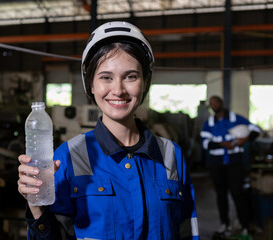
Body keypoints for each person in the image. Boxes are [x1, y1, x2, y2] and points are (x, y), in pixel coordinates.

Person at [18, 21, 199, 240]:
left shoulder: (172, 155)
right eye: (106, 77)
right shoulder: (68, 157)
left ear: (145, 82)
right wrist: (36, 205)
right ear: (91, 85)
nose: (118, 90)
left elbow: (187, 231)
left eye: (131, 76)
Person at [200, 95, 261, 236]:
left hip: (234, 162)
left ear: (222, 103)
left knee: (237, 193)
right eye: (211, 104)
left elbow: (256, 130)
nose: (214, 106)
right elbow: (205, 143)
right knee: (221, 195)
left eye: (216, 103)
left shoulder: (236, 119)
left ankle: (245, 225)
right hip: (217, 163)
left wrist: (244, 139)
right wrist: (222, 144)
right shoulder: (209, 123)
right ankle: (225, 225)